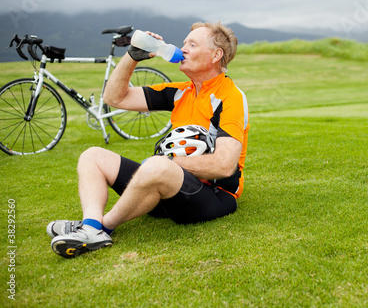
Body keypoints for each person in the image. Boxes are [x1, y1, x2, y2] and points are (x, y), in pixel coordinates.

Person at [47, 22, 249, 258]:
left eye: (192, 44)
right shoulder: (180, 91)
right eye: (184, 43)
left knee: (157, 164)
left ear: (216, 55)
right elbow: (114, 98)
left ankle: (99, 229)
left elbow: (225, 165)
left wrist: (166, 163)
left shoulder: (230, 97)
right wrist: (131, 57)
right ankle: (90, 223)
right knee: (92, 156)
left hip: (212, 197)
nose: (182, 48)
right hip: (167, 191)